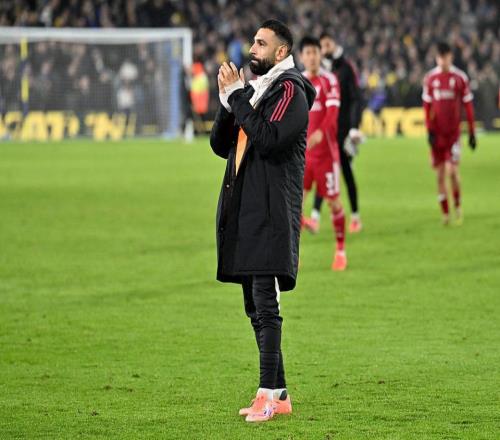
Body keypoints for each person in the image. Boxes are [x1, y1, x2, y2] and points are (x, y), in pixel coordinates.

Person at [209, 19, 315, 423]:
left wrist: (239, 97)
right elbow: (220, 145)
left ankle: (266, 395)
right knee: (255, 307)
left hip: (271, 214)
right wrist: (228, 102)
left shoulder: (290, 90)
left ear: (281, 52)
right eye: (253, 41)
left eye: (261, 43)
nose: (252, 48)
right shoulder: (257, 90)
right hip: (247, 211)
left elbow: (269, 139)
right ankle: (280, 393)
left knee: (267, 307)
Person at [302, 32, 363, 234]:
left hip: (341, 132)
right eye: (321, 46)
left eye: (326, 45)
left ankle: (355, 216)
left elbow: (355, 98)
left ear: (332, 45)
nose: (323, 49)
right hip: (321, 134)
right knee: (320, 177)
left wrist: (354, 127)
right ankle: (315, 217)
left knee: (345, 173)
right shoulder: (316, 72)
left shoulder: (345, 68)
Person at [300, 36, 347, 271]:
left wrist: (319, 133)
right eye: (307, 53)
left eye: (314, 52)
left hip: (326, 154)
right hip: (302, 156)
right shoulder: (297, 82)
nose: (311, 57)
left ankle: (340, 251)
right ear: (301, 57)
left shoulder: (330, 80)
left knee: (334, 203)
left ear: (320, 55)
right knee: (293, 205)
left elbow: (332, 113)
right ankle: (293, 256)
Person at [422, 42, 476, 225]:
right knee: (439, 174)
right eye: (440, 57)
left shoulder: (460, 78)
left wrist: (472, 132)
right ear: (436, 58)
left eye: (445, 57)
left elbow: (468, 106)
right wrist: (429, 130)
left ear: (450, 57)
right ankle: (445, 213)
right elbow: (426, 107)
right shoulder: (430, 78)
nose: (443, 61)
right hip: (437, 135)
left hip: (453, 135)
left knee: (452, 171)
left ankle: (458, 205)